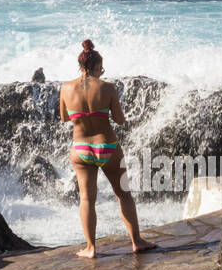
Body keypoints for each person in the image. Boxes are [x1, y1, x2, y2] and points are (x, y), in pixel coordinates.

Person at [59, 39, 156, 258]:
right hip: (107, 147)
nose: (102, 72)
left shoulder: (66, 88)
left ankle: (90, 248)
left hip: (81, 148)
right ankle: (137, 241)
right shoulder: (107, 88)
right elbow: (120, 120)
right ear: (95, 67)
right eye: (101, 68)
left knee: (86, 198)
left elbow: (65, 117)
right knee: (123, 195)